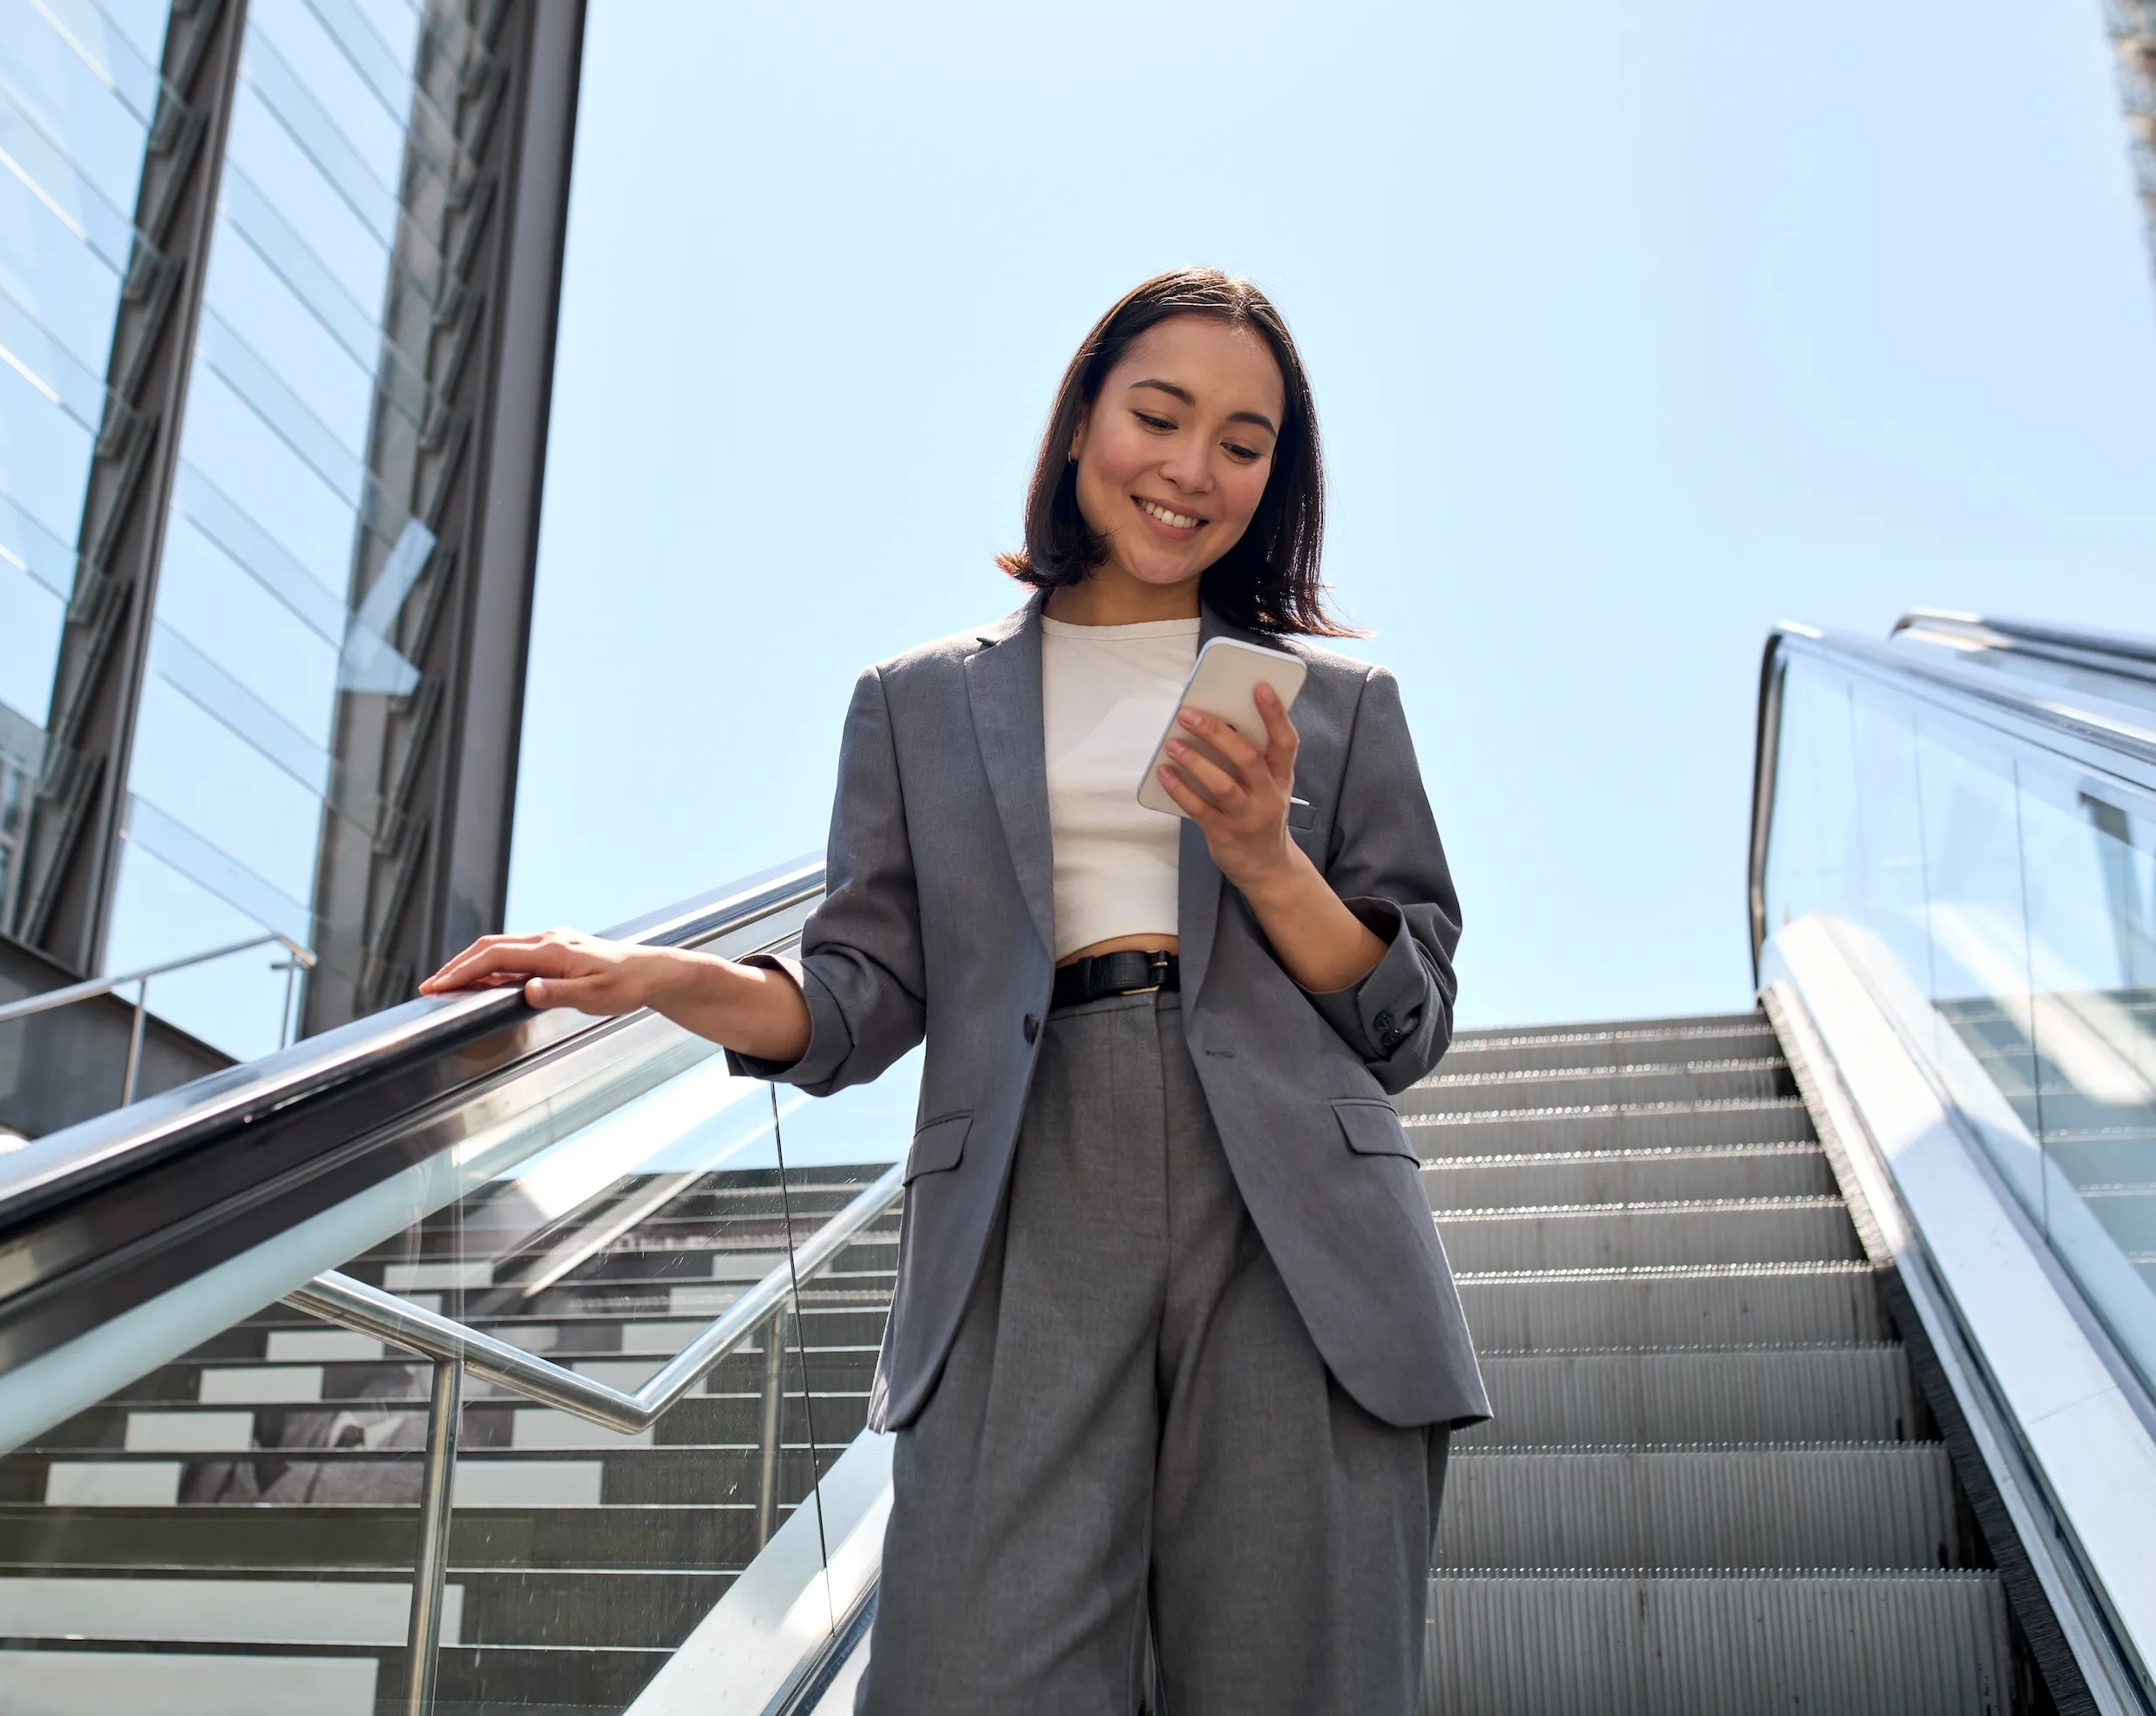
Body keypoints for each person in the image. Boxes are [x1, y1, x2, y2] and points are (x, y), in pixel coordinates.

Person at [422, 268, 1486, 1714]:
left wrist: (1264, 860)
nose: (1191, 470)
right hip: (1020, 1203)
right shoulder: (919, 701)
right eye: (1158, 417)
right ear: (1076, 430)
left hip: (1299, 1224)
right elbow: (860, 995)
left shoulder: (1340, 707)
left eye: (1244, 443)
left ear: (1277, 478)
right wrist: (654, 978)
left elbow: (1408, 1020)